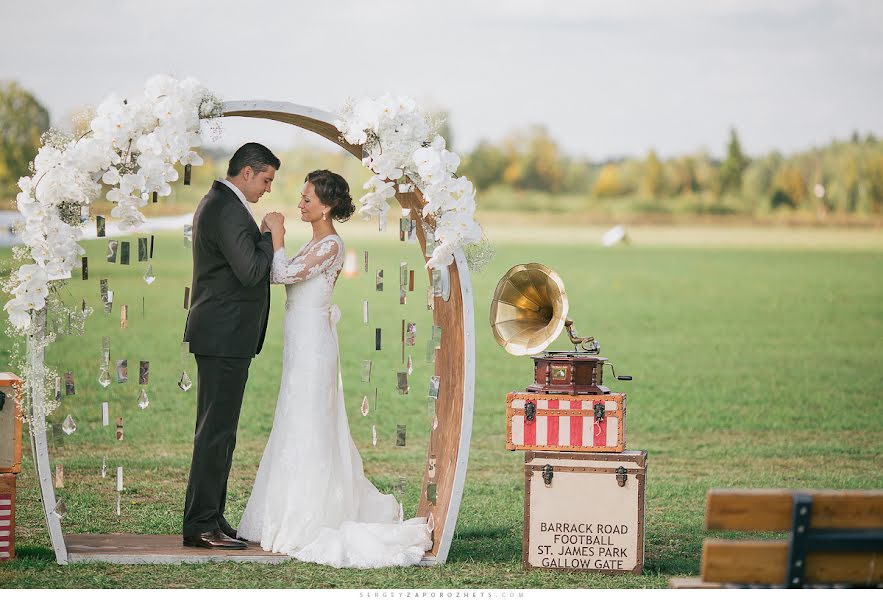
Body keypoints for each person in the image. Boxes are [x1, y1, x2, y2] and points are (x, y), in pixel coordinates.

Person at [237, 169, 432, 568]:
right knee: (294, 418)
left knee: (309, 420)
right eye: (302, 196)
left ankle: (311, 512)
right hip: (300, 342)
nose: (300, 203)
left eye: (307, 198)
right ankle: (284, 507)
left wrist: (276, 233)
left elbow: (281, 274)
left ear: (325, 206)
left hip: (314, 347)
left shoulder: (330, 246)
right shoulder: (315, 242)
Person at [181, 142, 282, 550]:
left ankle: (212, 517)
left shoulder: (223, 204)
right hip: (223, 336)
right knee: (215, 433)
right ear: (247, 173)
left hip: (226, 336)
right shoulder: (225, 207)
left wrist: (257, 235)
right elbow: (252, 270)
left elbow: (241, 263)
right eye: (266, 179)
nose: (268, 188)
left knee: (221, 432)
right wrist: (270, 236)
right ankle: (201, 524)